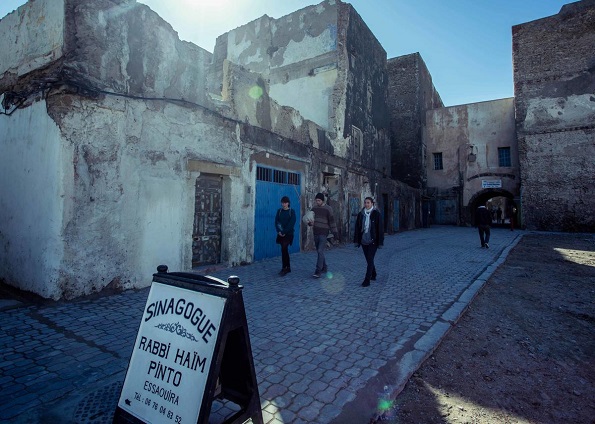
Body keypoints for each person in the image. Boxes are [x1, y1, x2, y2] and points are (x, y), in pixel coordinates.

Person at [354, 197, 384, 287]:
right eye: (365, 203)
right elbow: (357, 228)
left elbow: (380, 229)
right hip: (364, 240)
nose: (366, 204)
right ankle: (374, 274)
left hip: (373, 241)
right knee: (368, 259)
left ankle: (367, 279)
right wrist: (356, 240)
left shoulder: (376, 214)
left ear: (372, 204)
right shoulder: (361, 214)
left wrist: (380, 242)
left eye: (368, 203)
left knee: (370, 259)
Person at [309, 193, 338, 278]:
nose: (317, 202)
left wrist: (335, 233)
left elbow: (332, 222)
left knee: (320, 251)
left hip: (324, 233)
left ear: (322, 200)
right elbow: (310, 219)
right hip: (316, 232)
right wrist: (310, 223)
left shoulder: (328, 209)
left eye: (319, 200)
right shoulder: (314, 208)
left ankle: (318, 271)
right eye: (316, 200)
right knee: (319, 250)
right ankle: (324, 267)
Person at [275, 196, 296, 276]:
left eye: (285, 203)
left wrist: (284, 231)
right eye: (282, 203)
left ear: (288, 203)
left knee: (284, 248)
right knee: (284, 250)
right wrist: (279, 231)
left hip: (289, 234)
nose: (284, 204)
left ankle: (284, 268)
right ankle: (288, 267)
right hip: (281, 234)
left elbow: (291, 223)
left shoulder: (291, 212)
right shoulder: (279, 211)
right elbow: (276, 222)